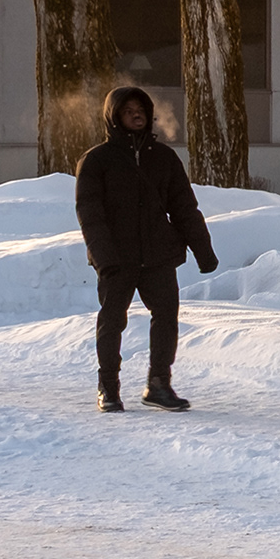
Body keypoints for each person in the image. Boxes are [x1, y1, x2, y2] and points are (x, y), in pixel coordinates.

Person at [74, 86, 216, 413]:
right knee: (112, 321)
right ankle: (108, 388)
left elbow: (183, 207)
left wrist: (203, 250)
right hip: (116, 259)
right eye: (128, 110)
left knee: (166, 317)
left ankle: (158, 384)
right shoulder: (97, 161)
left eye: (141, 109)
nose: (137, 114)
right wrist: (104, 258)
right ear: (114, 117)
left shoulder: (164, 158)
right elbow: (90, 215)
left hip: (158, 256)